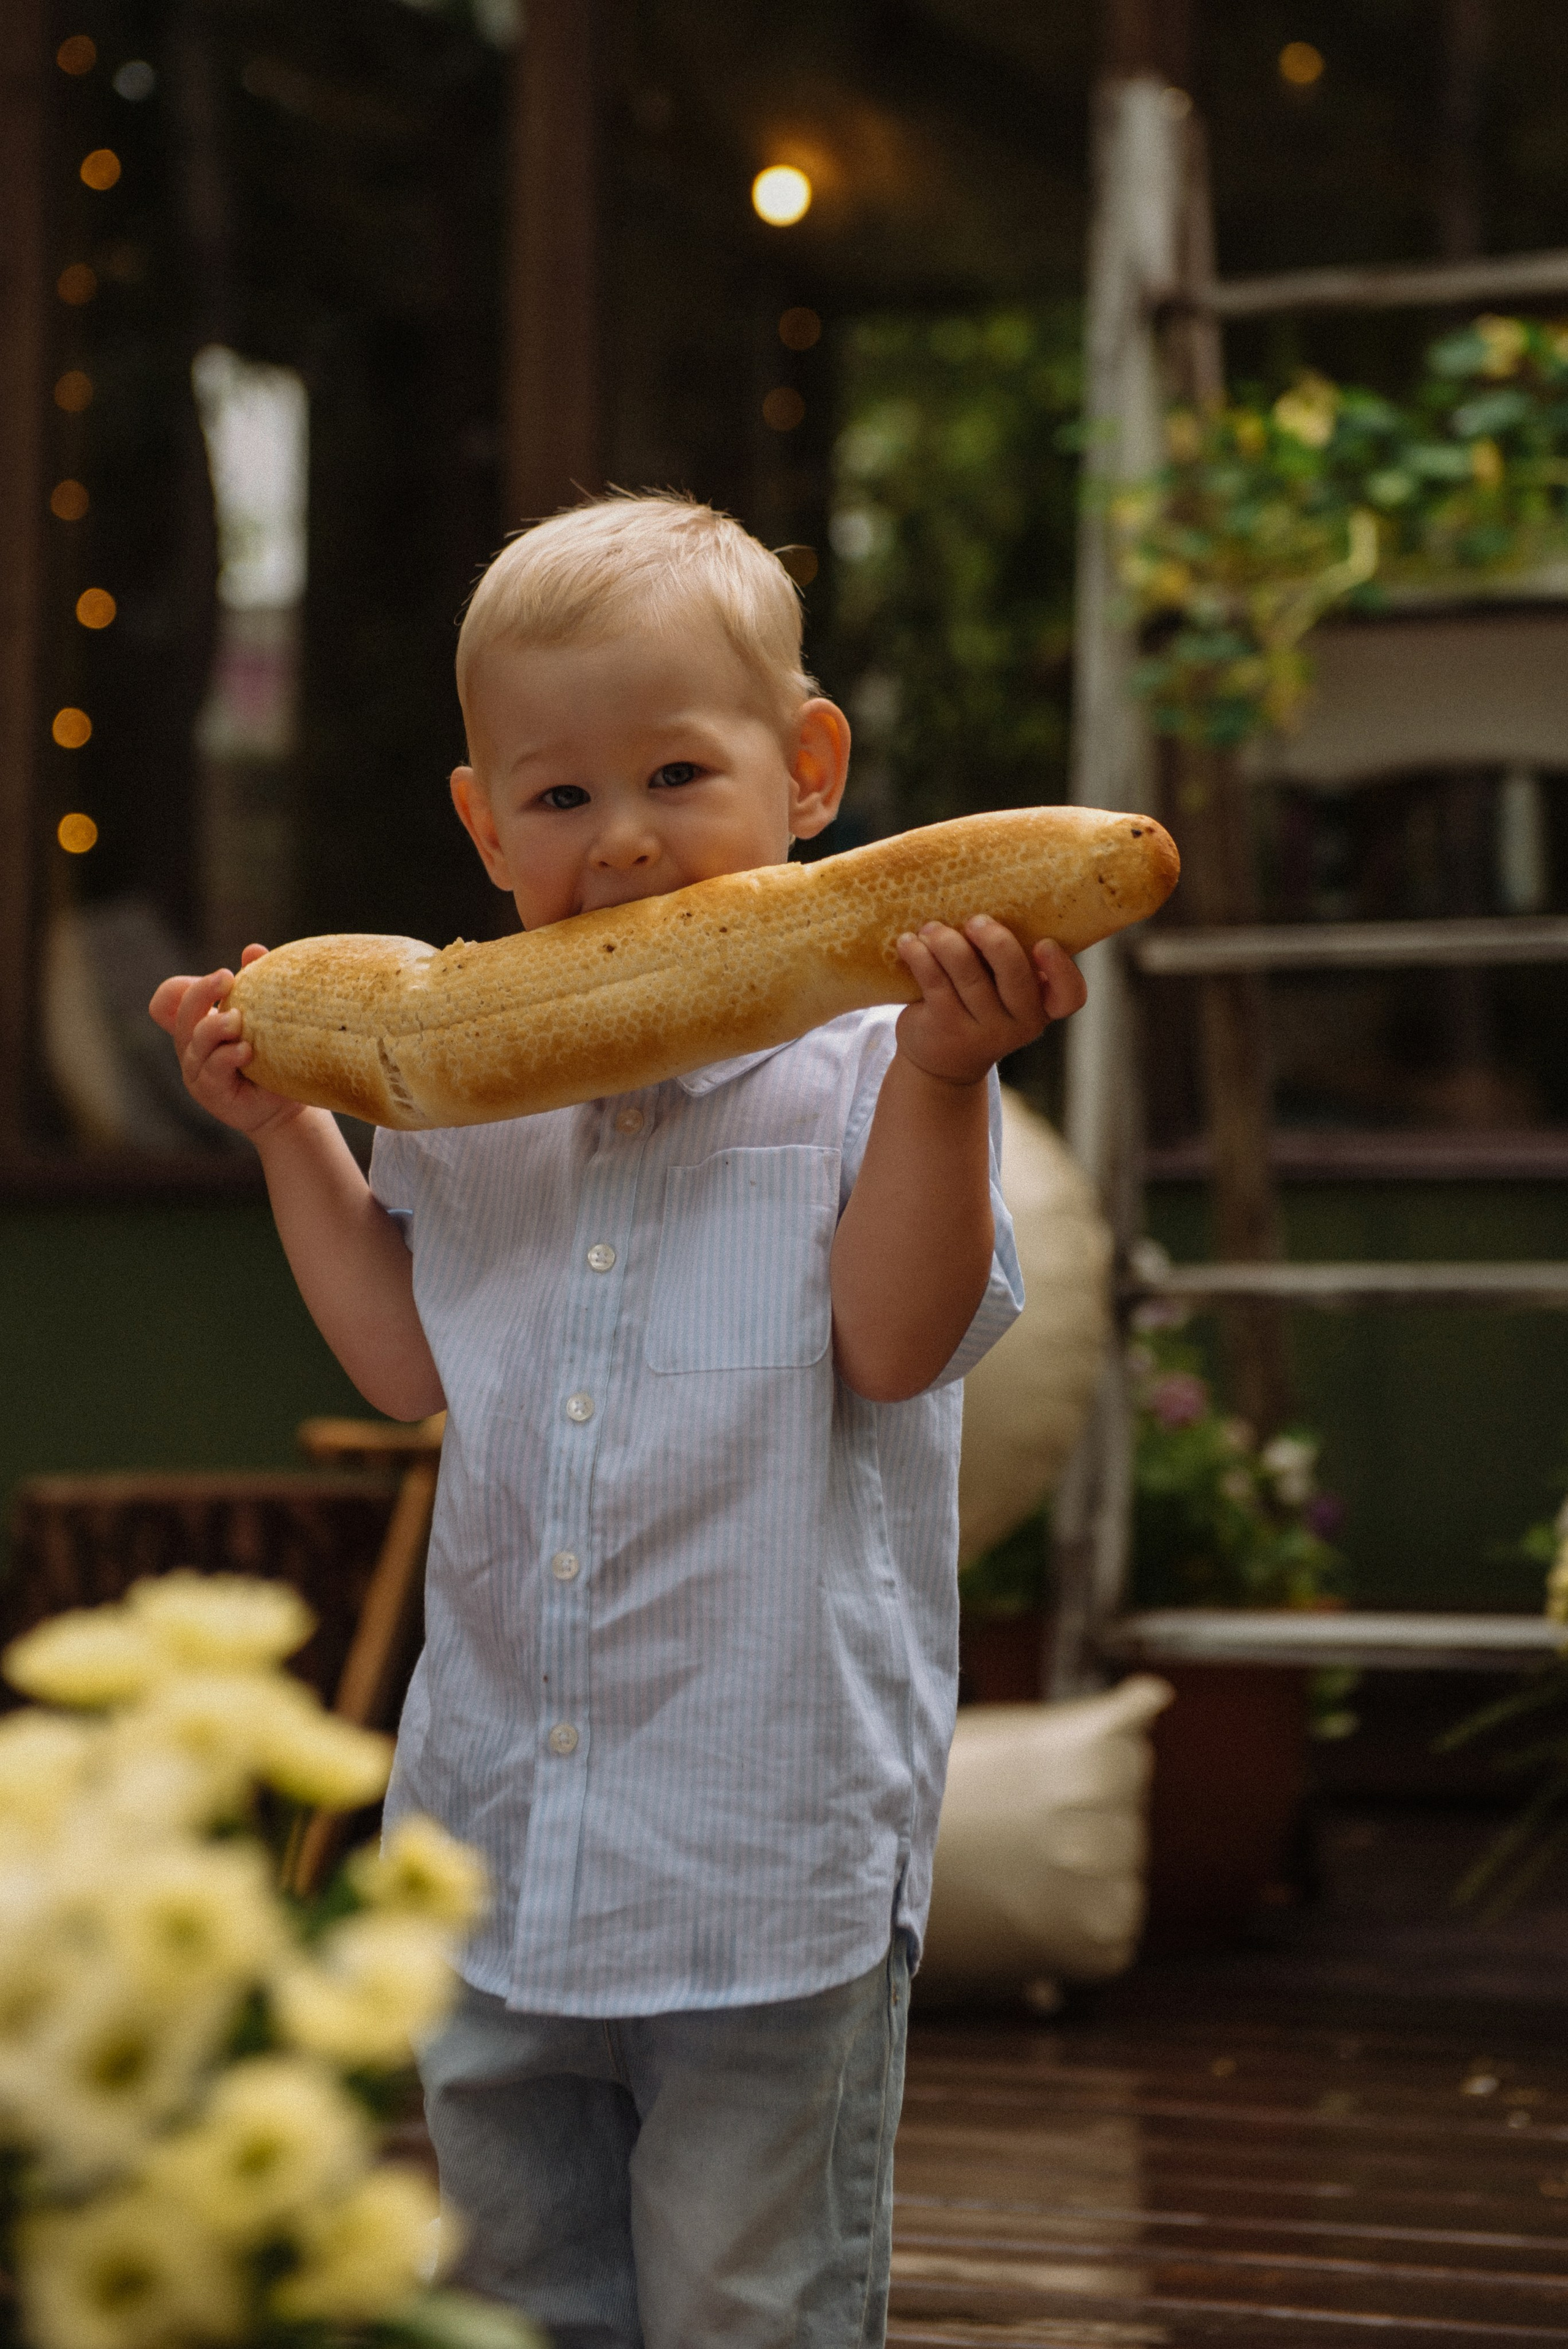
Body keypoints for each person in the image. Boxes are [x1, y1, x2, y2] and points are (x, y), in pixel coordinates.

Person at [151, 493, 1087, 2349]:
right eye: (559, 798)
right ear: (484, 825)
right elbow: (405, 1362)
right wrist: (290, 1135)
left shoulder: (861, 1068)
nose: (626, 841)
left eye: (678, 769)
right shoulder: (456, 1081)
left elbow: (896, 1346)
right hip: (496, 1841)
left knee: (752, 2307)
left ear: (809, 771)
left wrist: (949, 1073)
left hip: (766, 1859)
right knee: (513, 2303)